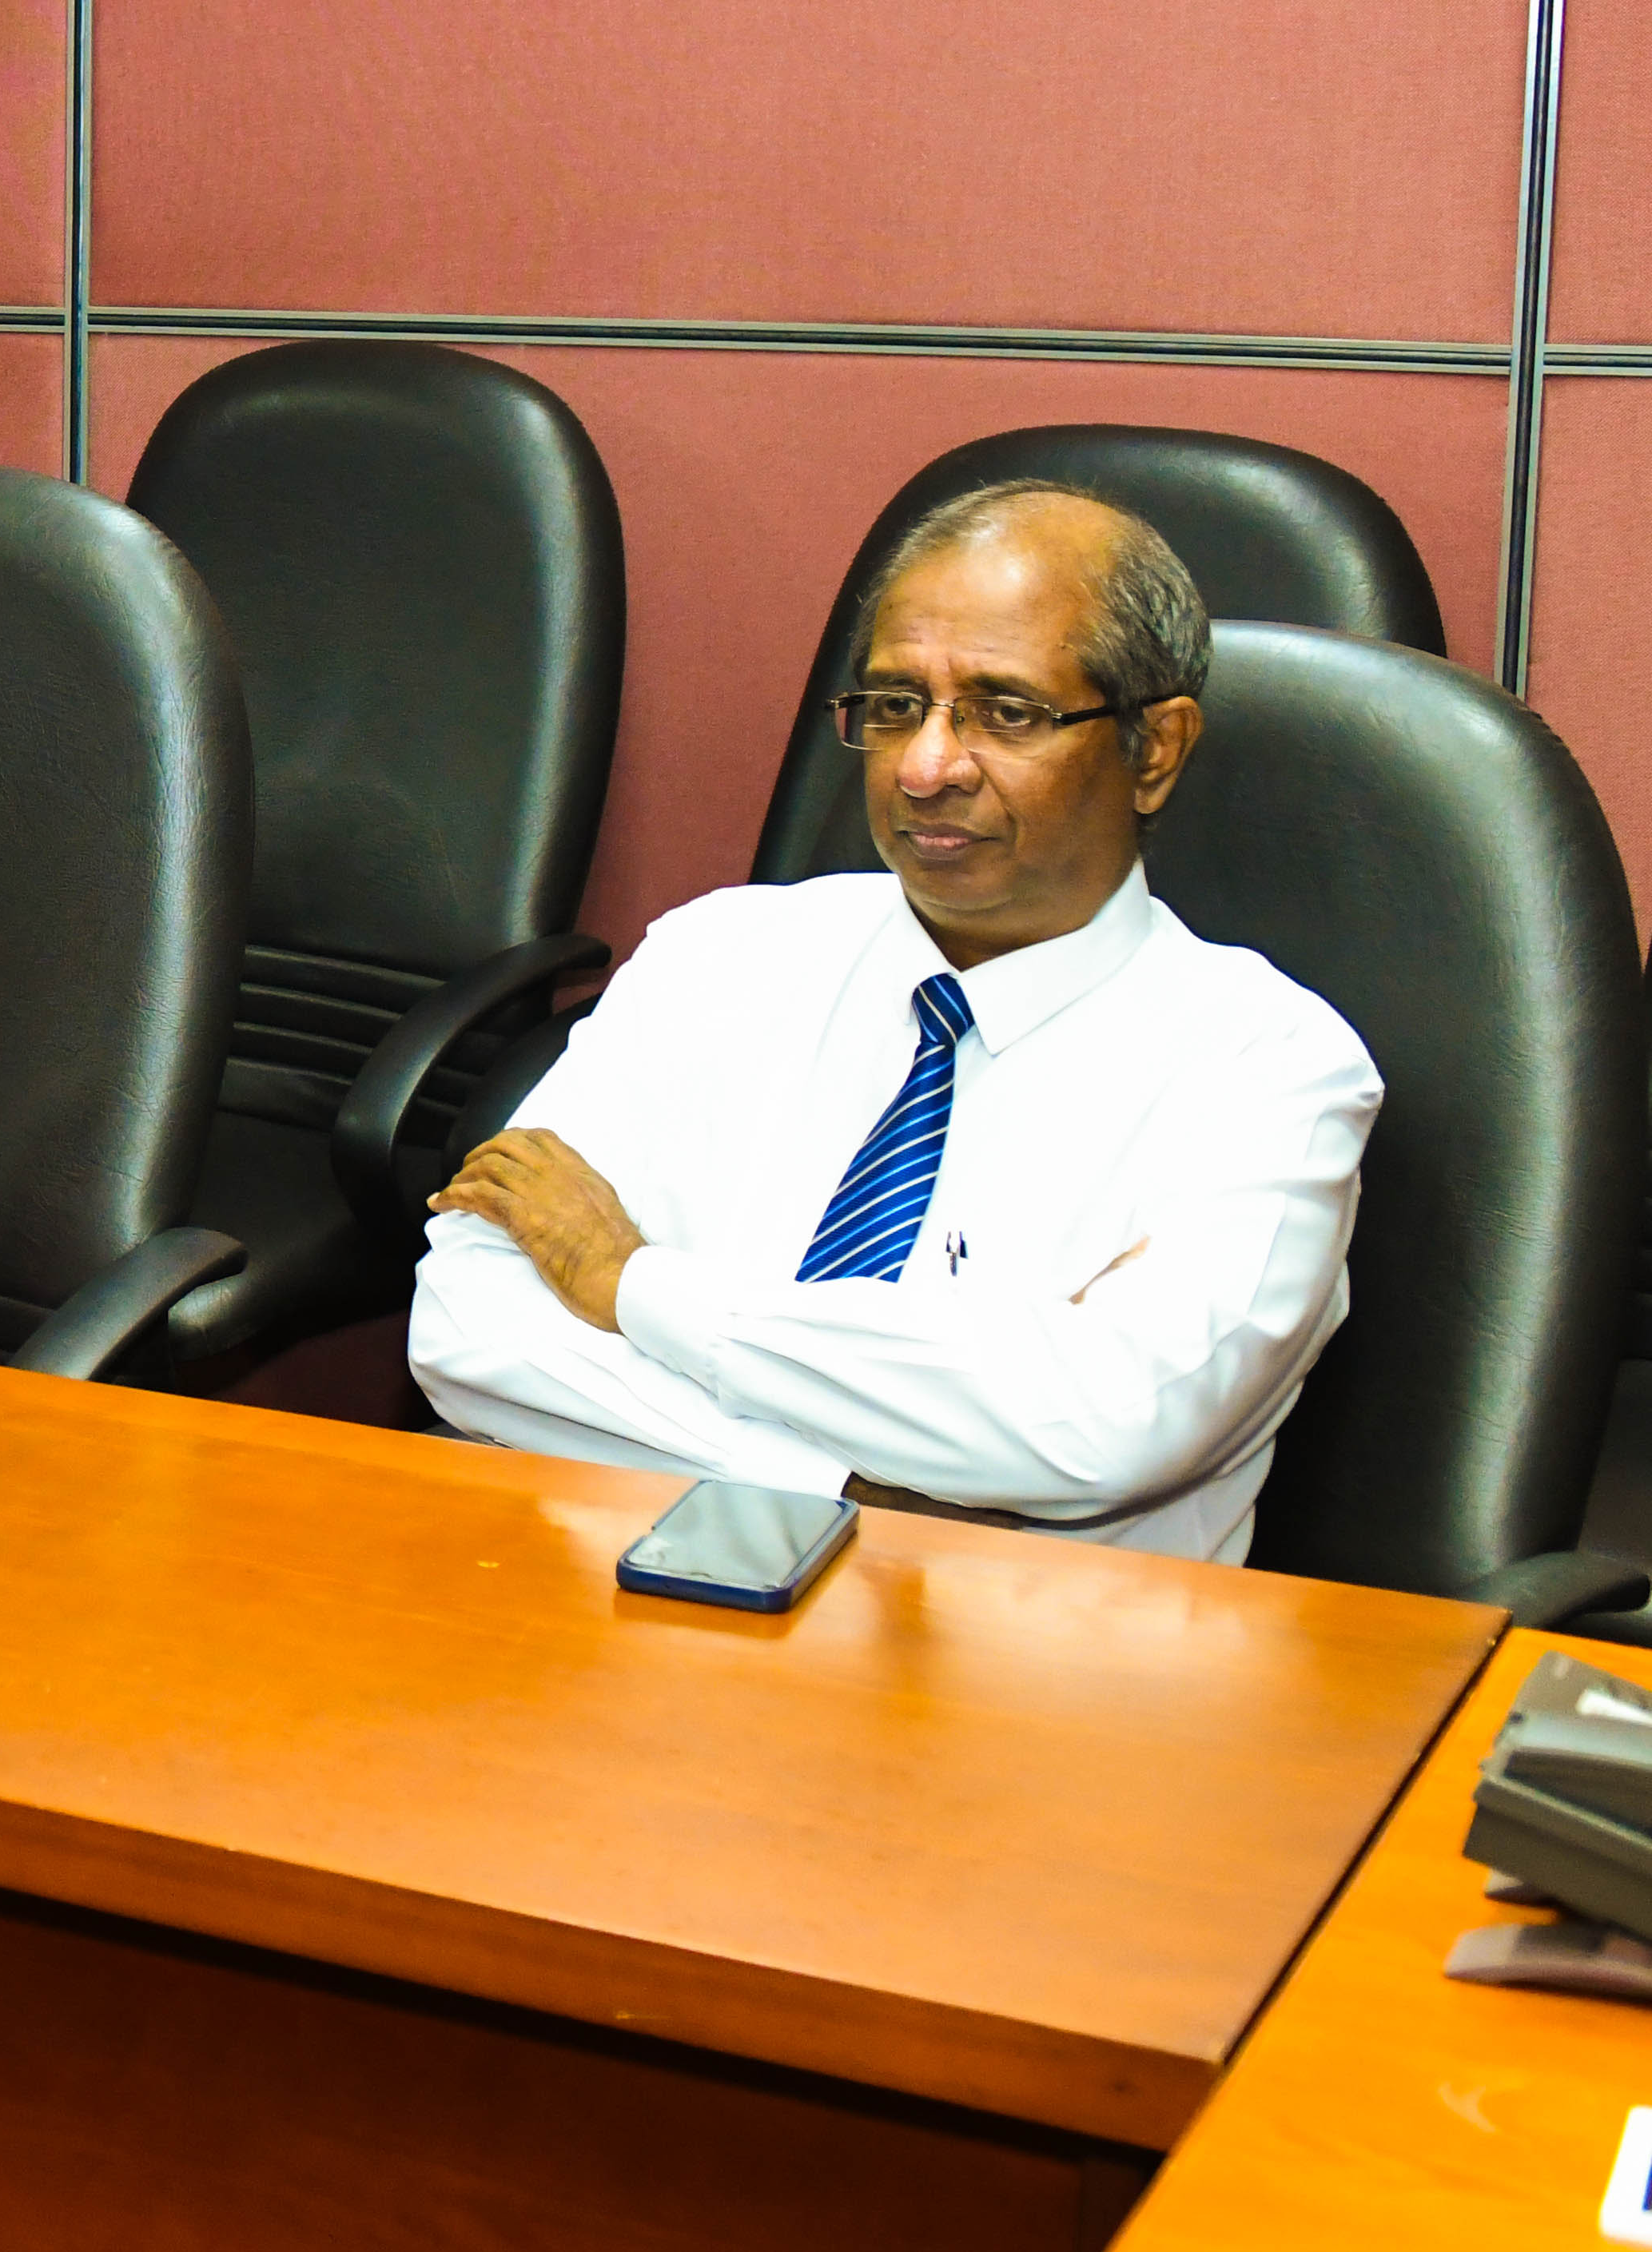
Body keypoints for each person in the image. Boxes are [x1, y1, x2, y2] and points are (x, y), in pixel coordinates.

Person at [411, 483, 1383, 1562]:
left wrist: (633, 1286)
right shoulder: (718, 957)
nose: (925, 767)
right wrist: (839, 1489)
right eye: (894, 704)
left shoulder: (1275, 1069)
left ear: (1153, 749)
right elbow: (467, 1322)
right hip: (630, 1589)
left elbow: (1103, 1430)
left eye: (1005, 713)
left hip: (1031, 1647)